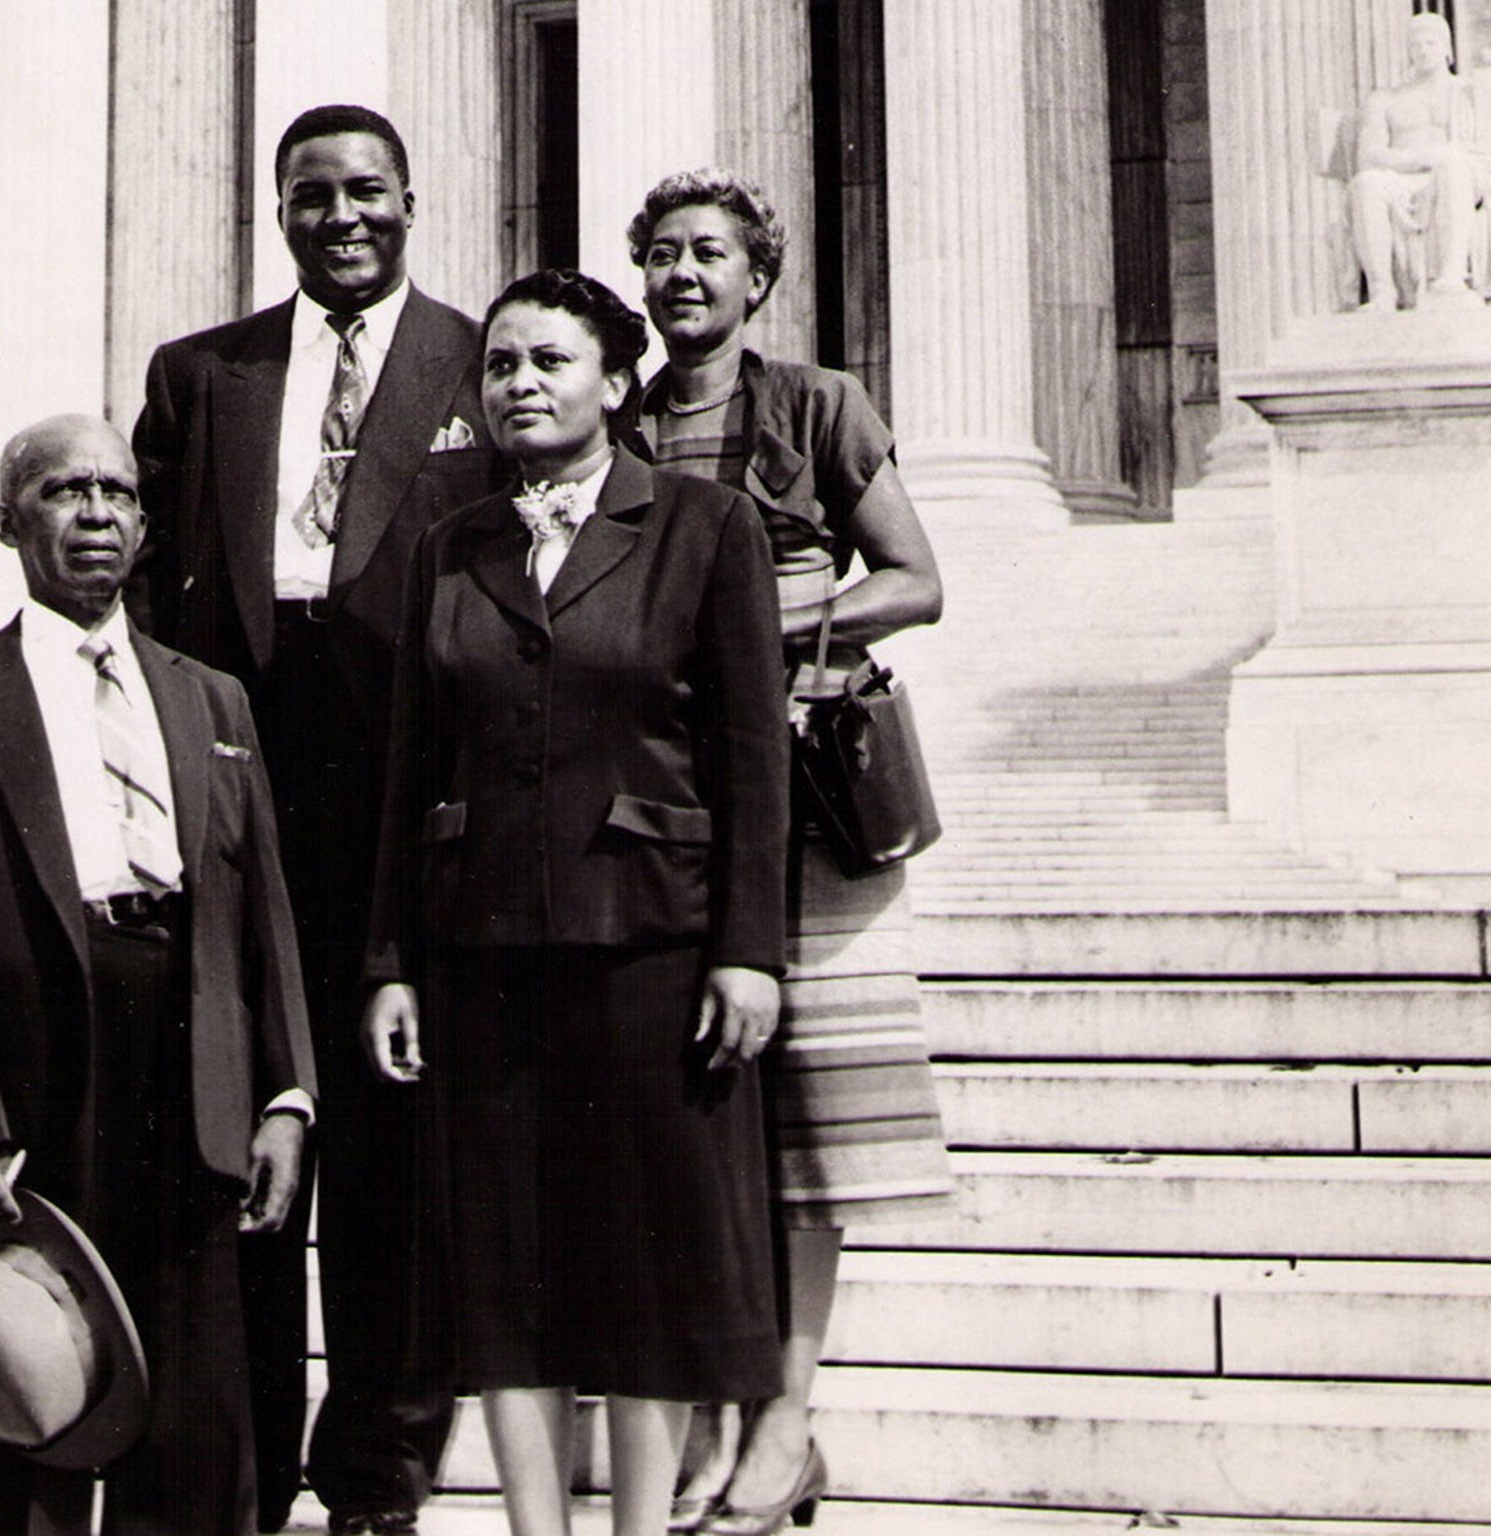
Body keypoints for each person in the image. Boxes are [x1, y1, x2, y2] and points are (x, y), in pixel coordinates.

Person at [361, 269, 790, 1536]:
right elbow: (406, 770)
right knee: (498, 1269)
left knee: (646, 1269)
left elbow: (751, 764)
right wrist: (389, 959)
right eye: (499, 364)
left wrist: (746, 953)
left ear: (615, 380)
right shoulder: (454, 544)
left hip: (649, 950)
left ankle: (640, 1528)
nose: (519, 385)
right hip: (479, 953)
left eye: (550, 360)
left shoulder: (704, 528)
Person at [132, 104, 498, 1536]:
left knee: (396, 1141)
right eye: (311, 196)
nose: (341, 218)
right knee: (243, 1124)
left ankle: (378, 1475)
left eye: (366, 193)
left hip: (407, 786)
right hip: (240, 775)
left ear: (413, 198)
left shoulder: (485, 361)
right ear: (274, 210)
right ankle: (244, 1455)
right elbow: (156, 594)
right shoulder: (203, 374)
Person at [0, 414, 316, 1536]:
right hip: (37, 1098)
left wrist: (288, 1092)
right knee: (42, 1409)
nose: (98, 515)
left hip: (192, 1067)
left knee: (199, 1428)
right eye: (66, 493)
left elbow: (263, 915)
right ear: (7, 522)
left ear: (146, 523)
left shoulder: (212, 702)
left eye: (117, 493)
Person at [626, 170, 955, 1536]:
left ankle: (784, 1422)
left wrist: (771, 629)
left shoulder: (816, 405)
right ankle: (712, 1404)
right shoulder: (622, 421)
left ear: (759, 279)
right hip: (668, 805)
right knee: (705, 1122)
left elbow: (917, 579)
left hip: (808, 806)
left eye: (711, 254)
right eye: (661, 255)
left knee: (810, 1123)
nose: (684, 275)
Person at [1348, 12, 1491, 312]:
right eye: (1415, 45)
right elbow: (1369, 155)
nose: (1423, 50)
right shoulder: (1385, 99)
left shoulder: (1471, 90)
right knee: (1366, 183)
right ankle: (1382, 291)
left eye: (1431, 42)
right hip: (1404, 179)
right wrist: (1420, 158)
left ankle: (1452, 277)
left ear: (1447, 49)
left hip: (1463, 177)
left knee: (1451, 161)